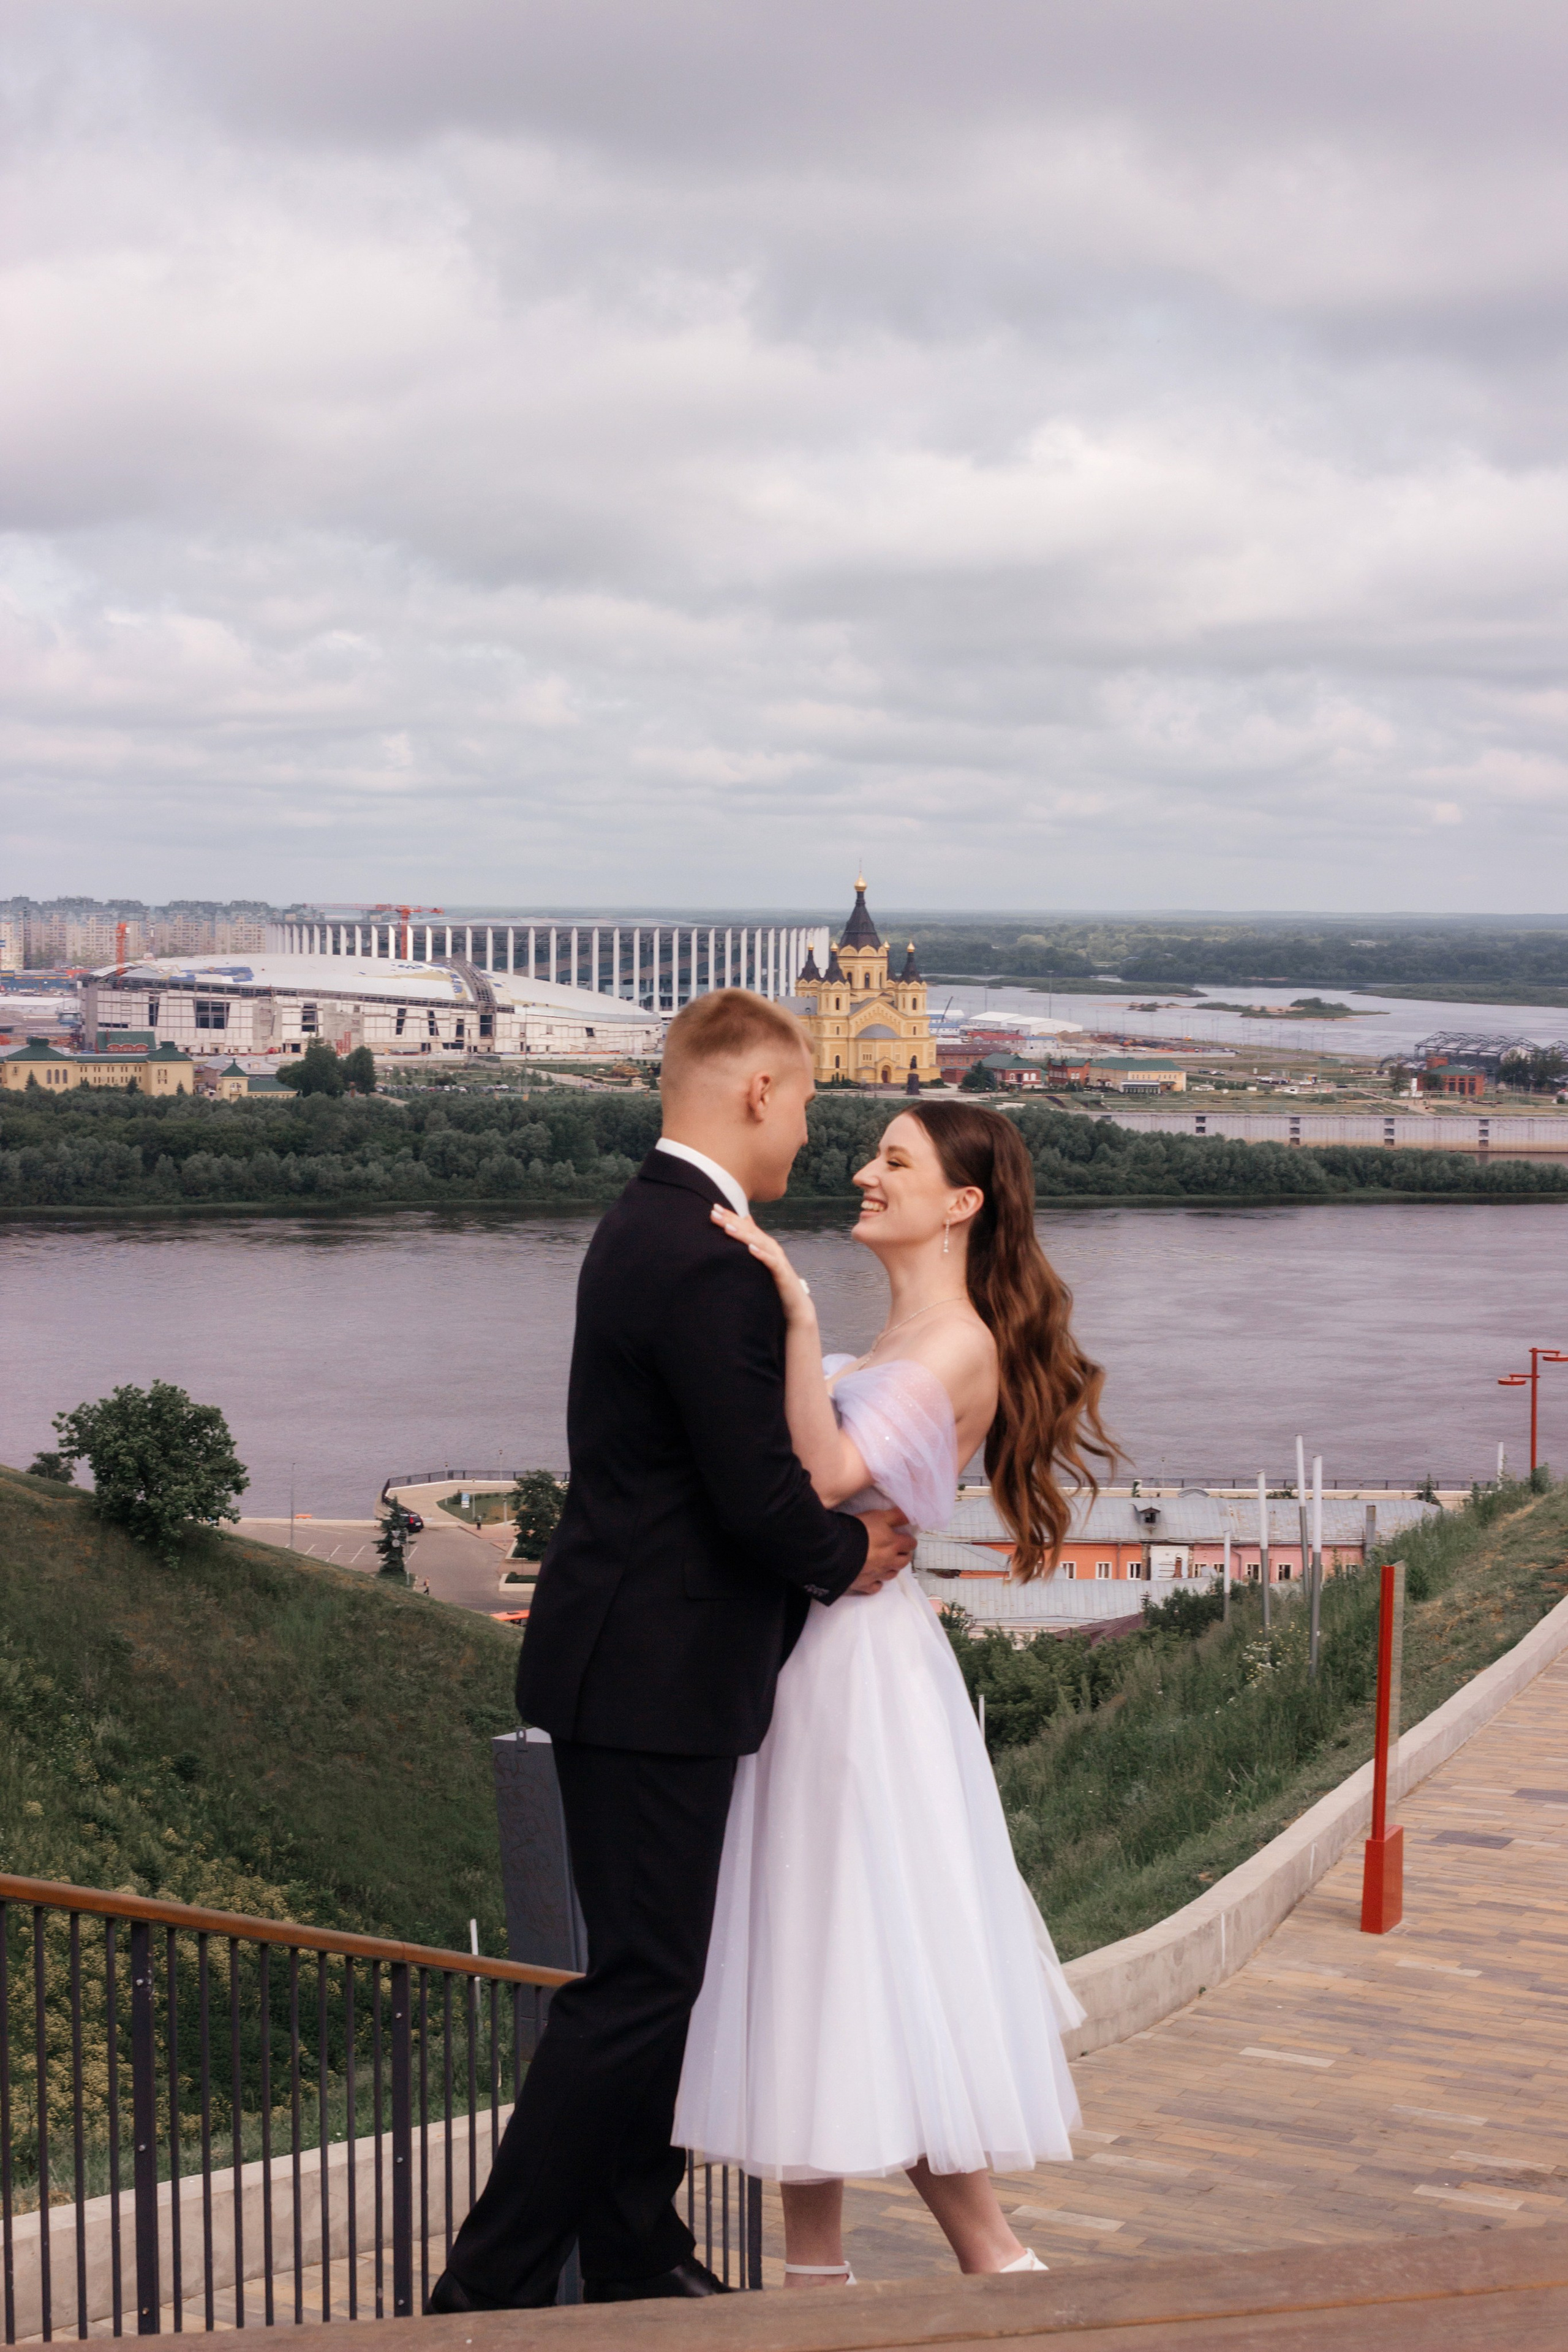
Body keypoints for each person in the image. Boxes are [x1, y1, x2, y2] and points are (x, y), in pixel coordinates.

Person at [427, 991, 916, 2312]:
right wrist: (847, 1560)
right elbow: (751, 1490)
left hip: (625, 1662)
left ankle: (636, 2250)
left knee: (655, 1981)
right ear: (756, 1089)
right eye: (809, 1102)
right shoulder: (703, 1252)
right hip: (654, 1674)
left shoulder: (646, 1223)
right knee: (639, 1988)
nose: (812, 1133)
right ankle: (483, 2291)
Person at [674, 1101, 1114, 2283]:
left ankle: (997, 2264)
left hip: (857, 1681)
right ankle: (817, 2275)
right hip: (828, 1660)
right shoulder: (913, 1338)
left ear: (961, 1204)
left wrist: (796, 1312)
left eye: (895, 1161)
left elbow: (820, 1472)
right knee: (812, 1954)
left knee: (857, 1945)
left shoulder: (955, 1344)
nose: (864, 1173)